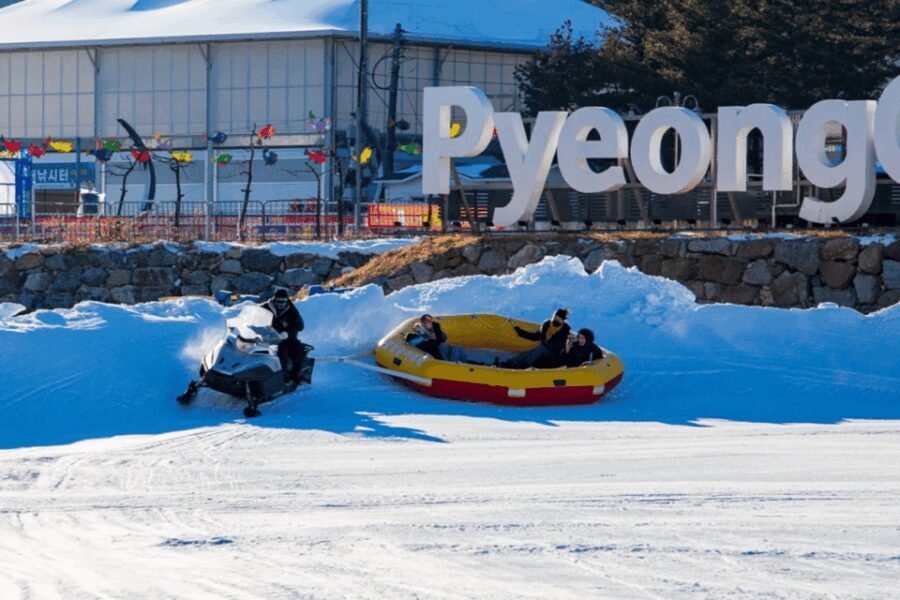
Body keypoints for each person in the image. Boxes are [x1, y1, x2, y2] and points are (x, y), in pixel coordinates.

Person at [262, 289, 306, 383]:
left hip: (285, 338)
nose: (280, 304)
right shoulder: (266, 307)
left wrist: (288, 333)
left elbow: (299, 326)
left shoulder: (292, 310)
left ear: (287, 300)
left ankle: (288, 375)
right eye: (278, 301)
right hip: (267, 336)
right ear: (274, 299)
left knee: (287, 349)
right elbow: (255, 315)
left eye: (283, 301)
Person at [504, 308, 571, 369]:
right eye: (554, 317)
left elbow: (559, 346)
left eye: (557, 319)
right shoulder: (547, 324)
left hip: (553, 355)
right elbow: (535, 336)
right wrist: (518, 330)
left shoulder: (564, 330)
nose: (554, 320)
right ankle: (509, 363)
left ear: (562, 321)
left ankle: (523, 366)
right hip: (543, 349)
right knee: (530, 352)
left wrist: (545, 345)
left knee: (540, 349)